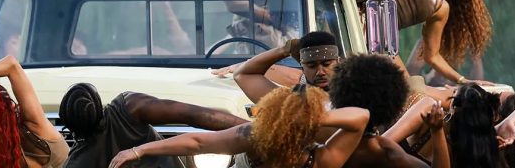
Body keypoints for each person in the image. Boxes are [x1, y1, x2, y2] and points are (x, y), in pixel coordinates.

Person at [108, 85, 370, 168]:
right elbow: (197, 143)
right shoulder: (255, 137)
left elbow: (361, 117)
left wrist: (313, 117)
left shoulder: (321, 160)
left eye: (298, 128)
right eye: (284, 125)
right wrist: (138, 151)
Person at [60, 83, 246, 168]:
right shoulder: (127, 107)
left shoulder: (76, 162)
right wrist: (258, 130)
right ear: (99, 106)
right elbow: (193, 115)